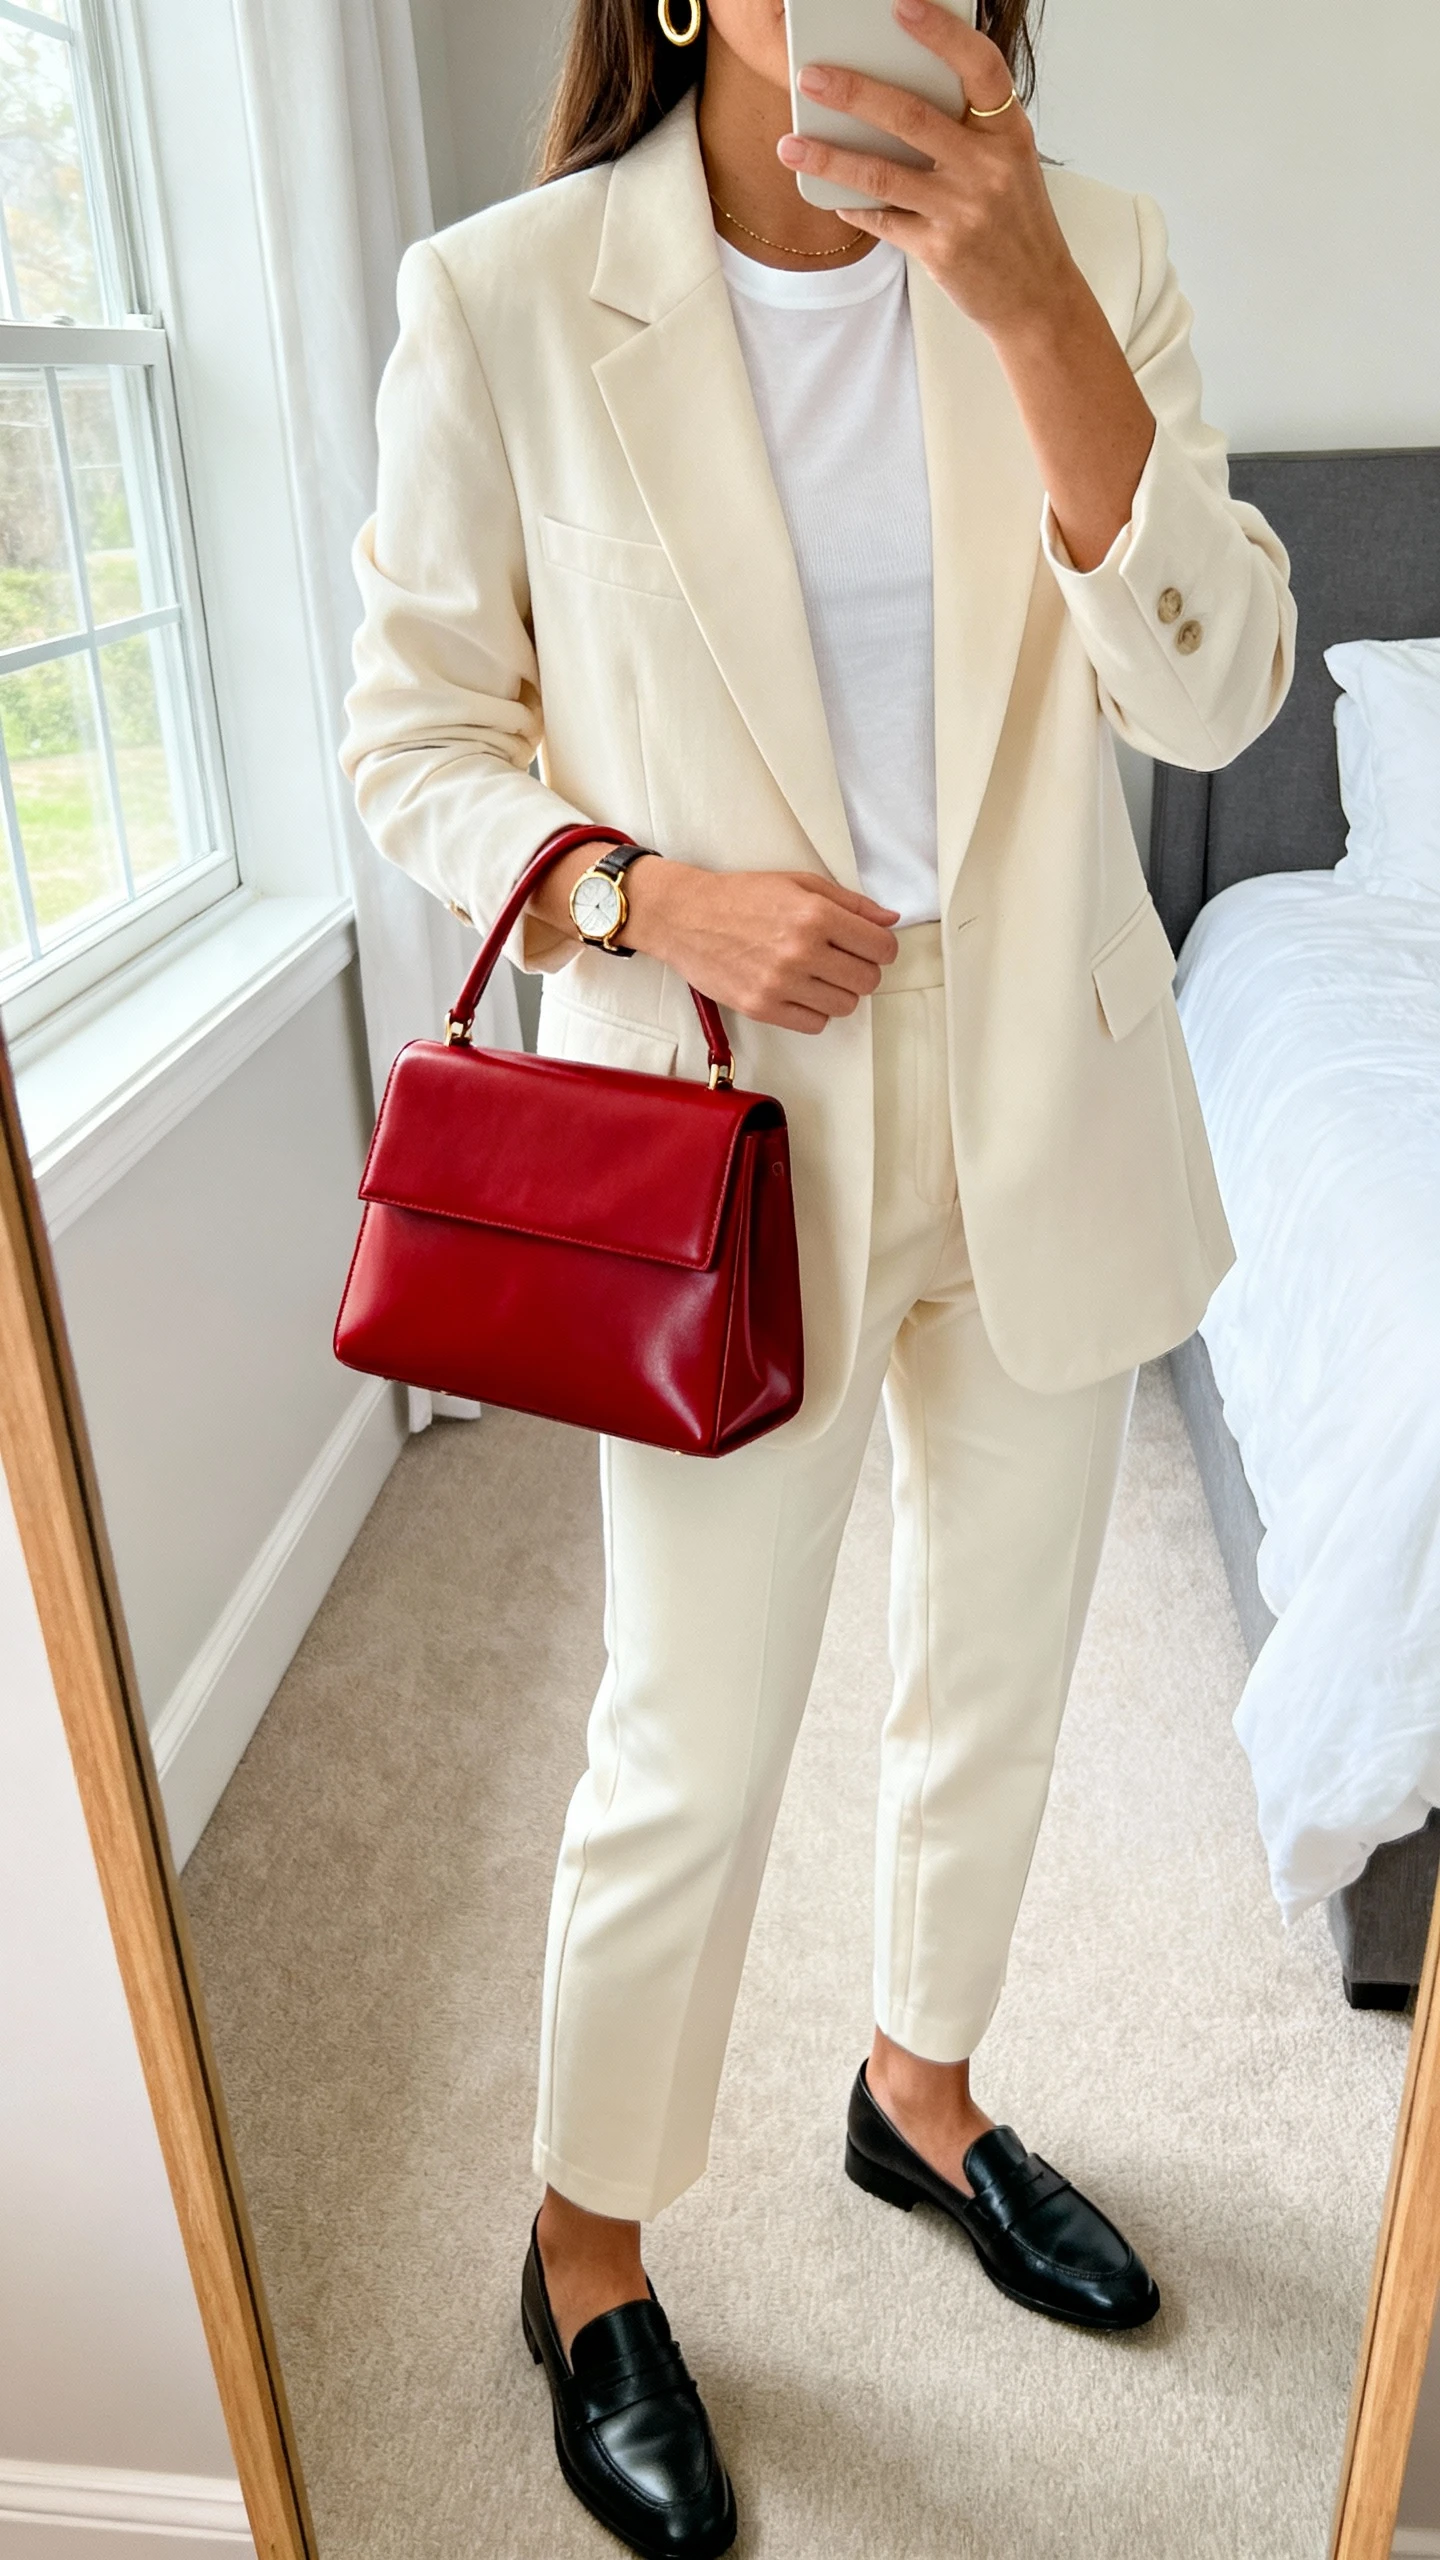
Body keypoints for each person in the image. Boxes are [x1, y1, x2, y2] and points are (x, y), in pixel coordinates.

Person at [342, 0, 1295, 2548]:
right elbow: (412, 735)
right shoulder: (512, 295)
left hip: (1049, 1084)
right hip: (726, 1116)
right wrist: (645, 894)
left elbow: (1208, 688)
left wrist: (1029, 313)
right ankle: (586, 2246)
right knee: (692, 1725)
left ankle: (922, 2087)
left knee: (994, 1675)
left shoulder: (1091, 257)